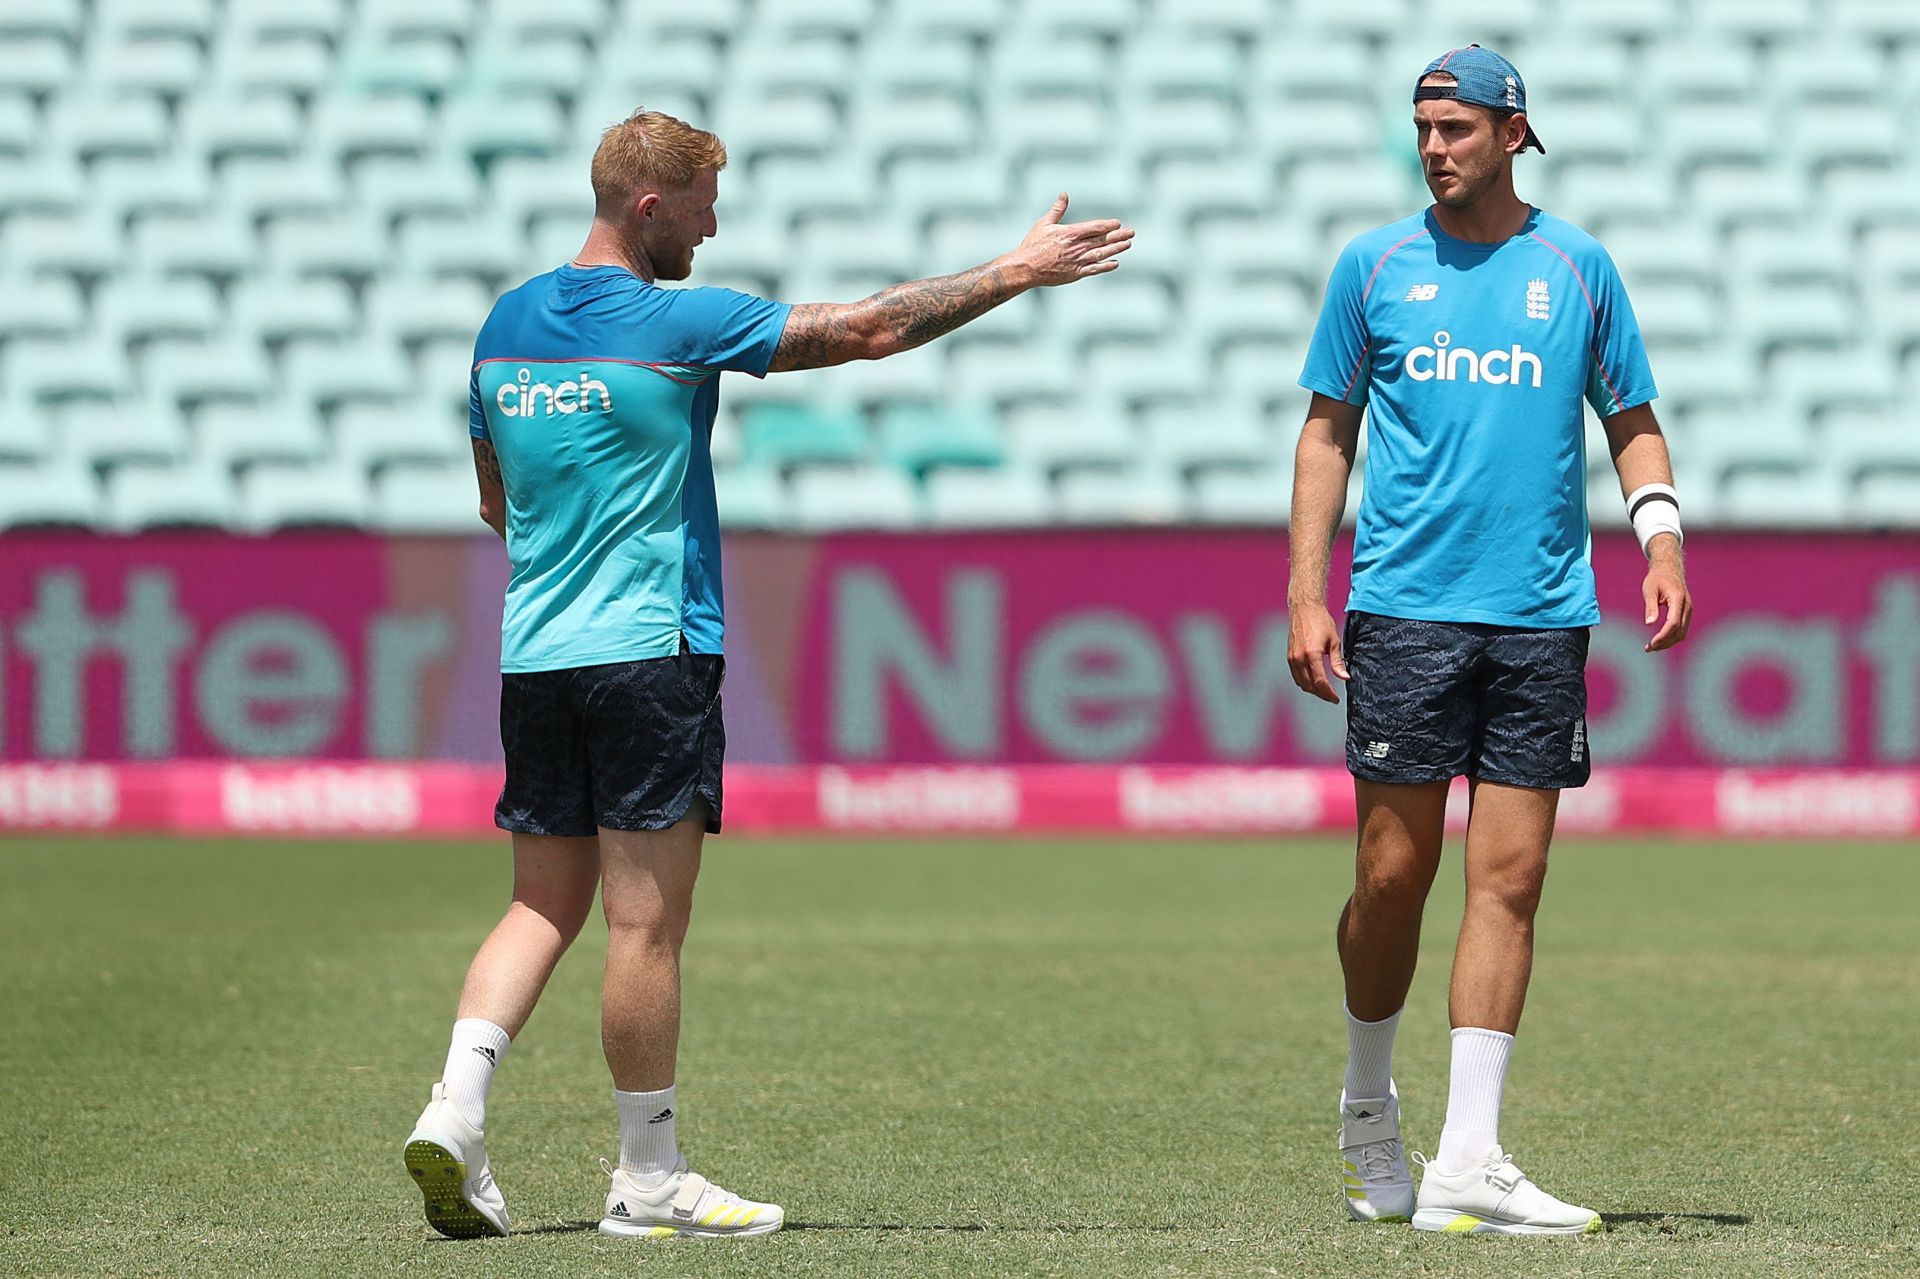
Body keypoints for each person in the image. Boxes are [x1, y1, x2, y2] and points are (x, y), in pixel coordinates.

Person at [401, 109, 1133, 1242]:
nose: (713, 223)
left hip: (534, 652)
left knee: (538, 904)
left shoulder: (505, 325)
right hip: (650, 652)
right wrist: (1015, 271)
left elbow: (495, 500)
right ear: (650, 209)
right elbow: (874, 331)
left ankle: (456, 1109)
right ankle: (649, 1181)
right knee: (643, 927)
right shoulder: (676, 320)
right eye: (701, 205)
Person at [1287, 46, 1692, 1236]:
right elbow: (1326, 436)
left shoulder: (1577, 266)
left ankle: (1468, 1158)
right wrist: (1308, 591)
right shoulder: (1373, 265)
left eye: (1456, 127)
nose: (1434, 146)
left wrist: (1661, 540)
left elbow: (1633, 421)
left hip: (1543, 617)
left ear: (1514, 133)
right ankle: (1370, 1107)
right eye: (1423, 127)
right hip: (1405, 611)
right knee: (1390, 878)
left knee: (1509, 881)